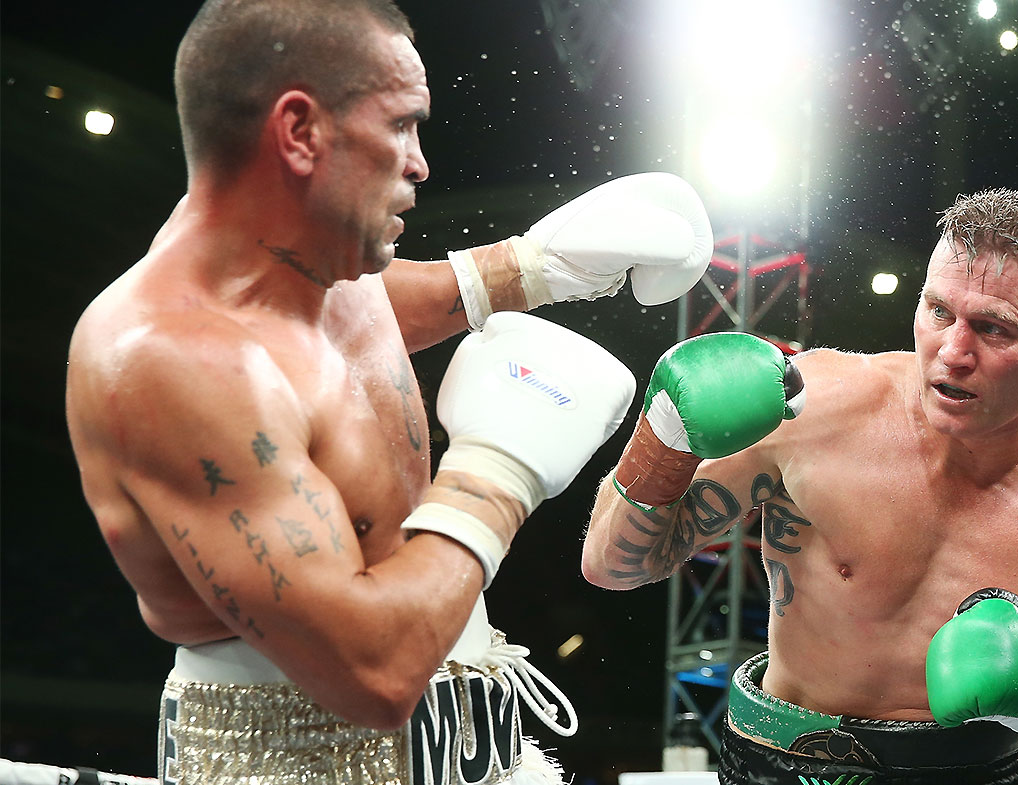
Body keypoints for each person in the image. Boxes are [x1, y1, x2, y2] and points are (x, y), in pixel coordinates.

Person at [63, 0, 712, 782]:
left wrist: (529, 266)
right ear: (300, 132)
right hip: (302, 758)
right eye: (402, 124)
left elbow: (334, 327)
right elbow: (373, 674)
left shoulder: (296, 257)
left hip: (473, 732)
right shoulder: (172, 361)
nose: (420, 163)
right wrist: (500, 469)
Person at [583, 188, 1018, 784]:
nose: (952, 351)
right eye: (938, 311)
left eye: (993, 328)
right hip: (771, 762)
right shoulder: (811, 408)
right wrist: (660, 440)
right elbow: (612, 567)